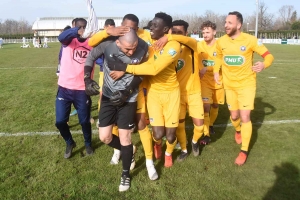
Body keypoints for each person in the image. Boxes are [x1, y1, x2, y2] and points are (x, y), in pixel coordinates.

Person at [89, 14, 159, 180]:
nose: (130, 30)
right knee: (109, 128)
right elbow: (91, 44)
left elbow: (148, 67)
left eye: (134, 28)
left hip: (135, 90)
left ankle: (149, 162)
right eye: (126, 28)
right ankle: (119, 150)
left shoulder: (145, 39)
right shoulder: (113, 37)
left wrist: (126, 70)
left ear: (138, 28)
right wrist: (108, 31)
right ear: (121, 27)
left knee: (141, 126)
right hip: (109, 88)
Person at [109, 12, 181, 168]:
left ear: (166, 29)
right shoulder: (149, 42)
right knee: (158, 134)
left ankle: (168, 152)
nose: (151, 27)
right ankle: (156, 144)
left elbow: (154, 68)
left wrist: (126, 68)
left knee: (170, 136)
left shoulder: (174, 46)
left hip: (172, 94)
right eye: (151, 24)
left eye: (155, 25)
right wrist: (109, 31)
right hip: (154, 93)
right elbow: (131, 30)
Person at [85, 29, 148, 192]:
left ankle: (125, 174)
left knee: (125, 138)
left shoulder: (144, 48)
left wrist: (127, 91)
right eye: (128, 49)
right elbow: (90, 57)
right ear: (118, 42)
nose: (132, 52)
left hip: (129, 99)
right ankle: (128, 151)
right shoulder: (107, 45)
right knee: (105, 137)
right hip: (107, 97)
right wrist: (87, 78)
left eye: (134, 47)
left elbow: (144, 72)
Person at [213, 11, 274, 165]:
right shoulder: (220, 42)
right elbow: (218, 57)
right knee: (234, 116)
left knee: (245, 116)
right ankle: (238, 130)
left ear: (239, 25)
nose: (226, 25)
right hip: (229, 85)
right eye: (225, 22)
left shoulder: (250, 40)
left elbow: (269, 56)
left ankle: (244, 150)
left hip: (247, 84)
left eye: (230, 23)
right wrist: (215, 71)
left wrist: (263, 64)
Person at [55, 18, 95, 159]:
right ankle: (69, 142)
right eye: (79, 27)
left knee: (84, 121)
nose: (81, 30)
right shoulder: (68, 41)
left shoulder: (92, 43)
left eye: (84, 27)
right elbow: (61, 37)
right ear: (73, 27)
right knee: (60, 122)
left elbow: (101, 57)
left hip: (82, 90)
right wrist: (76, 31)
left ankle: (88, 143)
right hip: (64, 88)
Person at [168, 19, 205, 161]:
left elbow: (189, 41)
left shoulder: (193, 45)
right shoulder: (170, 49)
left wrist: (168, 36)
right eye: (174, 32)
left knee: (200, 126)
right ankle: (184, 149)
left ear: (186, 33)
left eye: (180, 33)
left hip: (194, 93)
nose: (177, 35)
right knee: (180, 125)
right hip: (177, 94)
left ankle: (195, 141)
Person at [198, 21, 224, 138]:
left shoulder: (220, 45)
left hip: (218, 80)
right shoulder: (199, 45)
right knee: (205, 106)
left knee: (215, 105)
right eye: (203, 32)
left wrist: (207, 68)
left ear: (214, 32)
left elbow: (223, 63)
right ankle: (206, 133)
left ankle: (211, 124)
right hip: (204, 81)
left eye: (207, 32)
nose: (205, 34)